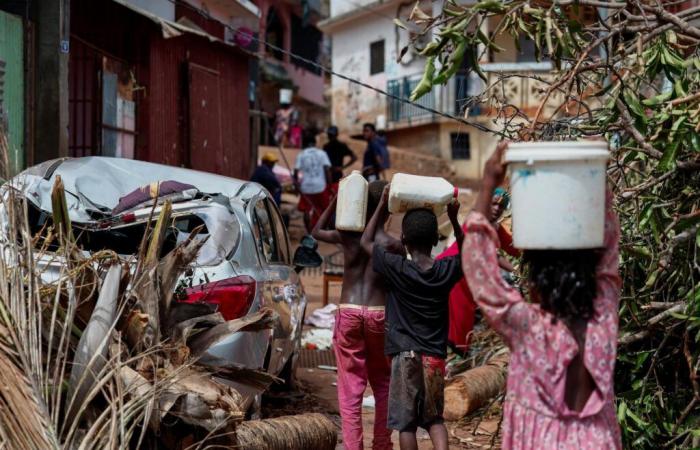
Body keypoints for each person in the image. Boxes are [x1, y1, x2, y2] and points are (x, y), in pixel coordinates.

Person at [461, 142, 622, 449]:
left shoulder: (528, 327)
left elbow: (479, 268)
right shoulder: (603, 319)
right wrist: (594, 188)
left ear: (536, 283)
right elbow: (608, 259)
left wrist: (487, 185)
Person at [361, 188, 464, 450]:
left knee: (405, 424)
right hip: (434, 357)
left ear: (404, 239)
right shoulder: (445, 270)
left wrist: (382, 205)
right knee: (434, 419)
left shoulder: (397, 268)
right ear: (434, 240)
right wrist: (454, 219)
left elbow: (365, 243)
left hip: (404, 356)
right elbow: (467, 253)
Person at [312, 181, 403, 450]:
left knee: (350, 389)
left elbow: (316, 230)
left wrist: (336, 200)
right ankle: (382, 445)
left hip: (349, 311)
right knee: (384, 384)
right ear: (389, 208)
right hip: (379, 314)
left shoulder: (346, 234)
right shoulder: (392, 245)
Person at [436, 187, 520, 356]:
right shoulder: (476, 222)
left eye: (501, 207)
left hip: (467, 272)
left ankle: (456, 350)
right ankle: (456, 352)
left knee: (462, 314)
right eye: (494, 204)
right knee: (460, 314)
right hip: (454, 269)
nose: (497, 209)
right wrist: (514, 271)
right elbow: (484, 254)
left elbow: (514, 249)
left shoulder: (495, 227)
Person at [294, 131, 332, 233]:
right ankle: (322, 230)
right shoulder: (322, 154)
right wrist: (329, 185)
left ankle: (309, 232)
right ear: (315, 143)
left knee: (307, 210)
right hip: (321, 186)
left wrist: (296, 185)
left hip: (306, 187)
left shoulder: (301, 155)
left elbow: (296, 171)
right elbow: (327, 170)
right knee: (324, 209)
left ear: (305, 143)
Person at [323, 125, 357, 190]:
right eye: (329, 135)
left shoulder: (329, 147)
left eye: (331, 135)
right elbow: (354, 157)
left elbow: (354, 157)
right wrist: (342, 167)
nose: (330, 137)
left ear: (336, 135)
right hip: (330, 174)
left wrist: (342, 167)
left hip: (335, 174)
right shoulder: (327, 147)